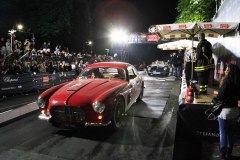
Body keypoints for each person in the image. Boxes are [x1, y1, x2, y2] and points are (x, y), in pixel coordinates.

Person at [213, 64, 240, 159]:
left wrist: (215, 99)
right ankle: (229, 153)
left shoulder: (227, 82)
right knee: (231, 133)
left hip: (225, 111)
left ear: (229, 71)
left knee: (223, 133)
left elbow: (220, 96)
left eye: (226, 69)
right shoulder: (238, 82)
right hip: (235, 111)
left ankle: (223, 154)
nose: (225, 70)